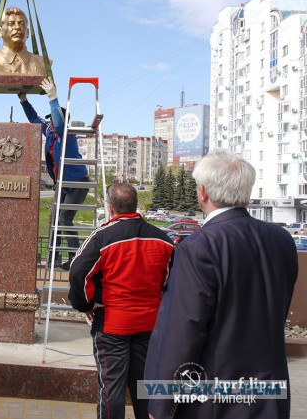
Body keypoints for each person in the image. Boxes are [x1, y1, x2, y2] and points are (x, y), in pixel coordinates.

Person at [145, 150, 298, 419]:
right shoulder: (281, 239)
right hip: (269, 393)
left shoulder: (199, 247)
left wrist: (161, 403)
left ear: (202, 193)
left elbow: (183, 332)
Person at [69, 183, 174, 419]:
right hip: (149, 325)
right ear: (135, 205)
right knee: (144, 386)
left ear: (110, 208)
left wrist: (86, 304)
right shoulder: (163, 240)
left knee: (112, 387)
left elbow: (77, 272)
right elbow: (170, 282)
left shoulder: (102, 237)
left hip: (112, 325)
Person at [18, 76, 88, 269]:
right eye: (50, 121)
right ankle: (54, 258)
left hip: (77, 182)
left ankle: (77, 258)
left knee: (64, 219)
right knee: (55, 220)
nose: (51, 123)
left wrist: (53, 97)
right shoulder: (50, 131)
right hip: (62, 183)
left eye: (54, 120)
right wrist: (23, 100)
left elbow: (58, 122)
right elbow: (34, 119)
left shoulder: (67, 133)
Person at [0, 7, 49, 75]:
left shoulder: (42, 63)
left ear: (27, 32)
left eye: (21, 23)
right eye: (11, 24)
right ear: (0, 32)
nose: (17, 27)